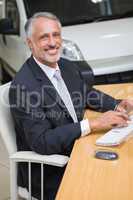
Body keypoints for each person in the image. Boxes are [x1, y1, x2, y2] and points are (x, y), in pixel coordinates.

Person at [9, 12, 133, 200]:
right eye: (44, 37)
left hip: (78, 149)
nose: (52, 42)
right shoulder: (23, 87)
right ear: (30, 43)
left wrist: (116, 105)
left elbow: (86, 93)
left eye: (56, 35)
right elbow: (42, 142)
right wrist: (94, 124)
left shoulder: (66, 66)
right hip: (52, 171)